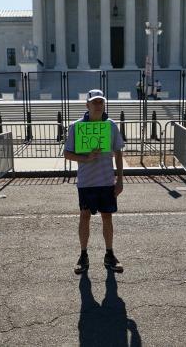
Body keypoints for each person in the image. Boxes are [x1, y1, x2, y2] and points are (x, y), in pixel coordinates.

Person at [64, 89, 126, 274]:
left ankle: (109, 253)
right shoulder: (76, 126)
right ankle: (83, 255)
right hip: (86, 181)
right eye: (94, 102)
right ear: (87, 105)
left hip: (107, 180)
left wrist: (120, 180)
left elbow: (118, 153)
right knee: (84, 216)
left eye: (101, 102)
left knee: (108, 217)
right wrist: (86, 158)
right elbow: (67, 153)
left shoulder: (111, 125)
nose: (98, 105)